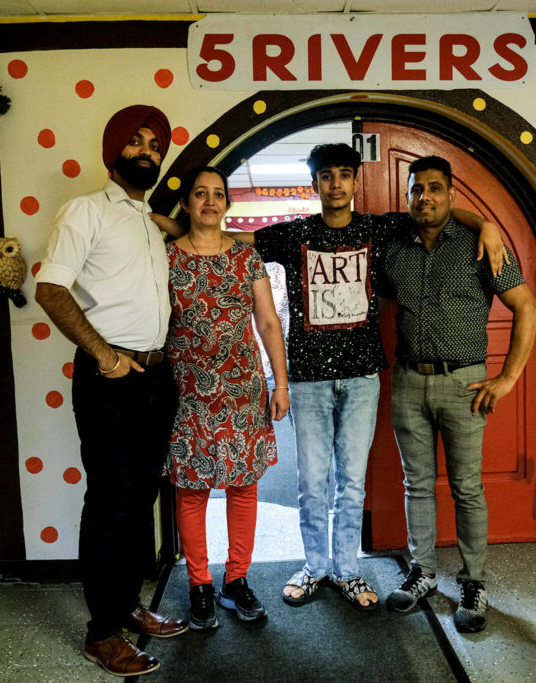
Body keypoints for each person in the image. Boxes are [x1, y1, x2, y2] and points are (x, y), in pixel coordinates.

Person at [224, 143, 506, 611]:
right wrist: (167, 225)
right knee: (312, 483)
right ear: (315, 184)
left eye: (343, 174)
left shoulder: (383, 227)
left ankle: (347, 570)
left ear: (356, 182)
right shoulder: (294, 234)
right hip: (309, 378)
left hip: (361, 378)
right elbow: (232, 239)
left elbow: (441, 213)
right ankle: (315, 567)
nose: (335, 183)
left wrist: (488, 225)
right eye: (325, 176)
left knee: (350, 483)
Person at [34, 104, 189, 678]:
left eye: (156, 146)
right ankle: (102, 633)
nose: (147, 152)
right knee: (108, 505)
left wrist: (174, 224)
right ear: (114, 149)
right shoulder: (86, 210)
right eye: (137, 143)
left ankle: (126, 607)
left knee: (139, 499)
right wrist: (104, 356)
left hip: (155, 377)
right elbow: (50, 288)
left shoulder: (148, 221)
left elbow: (176, 234)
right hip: (111, 377)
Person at [380, 155, 536, 633]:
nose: (423, 197)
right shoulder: (394, 249)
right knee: (417, 484)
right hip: (407, 380)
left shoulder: (479, 246)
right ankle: (423, 573)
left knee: (468, 487)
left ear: (451, 195)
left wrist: (506, 378)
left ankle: (473, 583)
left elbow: (526, 307)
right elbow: (379, 305)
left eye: (434, 188)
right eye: (416, 189)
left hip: (464, 383)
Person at [163, 166, 289, 630]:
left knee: (243, 487)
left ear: (227, 206)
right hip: (188, 393)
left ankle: (236, 581)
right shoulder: (167, 259)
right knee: (191, 490)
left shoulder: (246, 258)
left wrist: (281, 382)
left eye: (218, 195)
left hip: (242, 391)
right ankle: (199, 585)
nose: (210, 202)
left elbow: (268, 323)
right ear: (188, 204)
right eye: (201, 194)